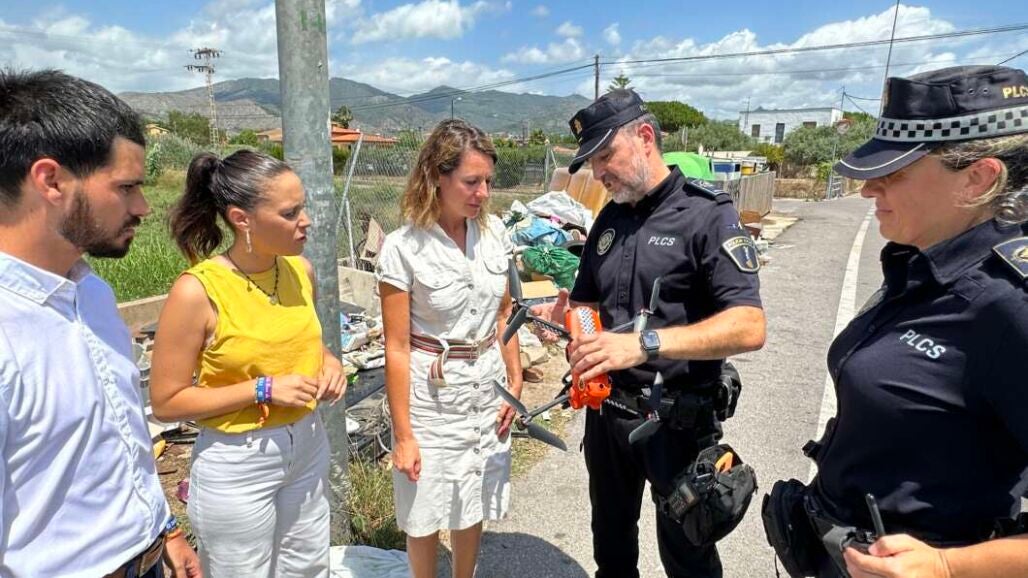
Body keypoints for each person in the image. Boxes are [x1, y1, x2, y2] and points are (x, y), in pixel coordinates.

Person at [769, 65, 1028, 578]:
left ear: (979, 178)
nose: (869, 189)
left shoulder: (1010, 304)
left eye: (895, 173)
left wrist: (949, 566)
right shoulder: (922, 263)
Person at [534, 89, 767, 578]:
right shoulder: (610, 217)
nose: (598, 172)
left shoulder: (708, 213)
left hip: (676, 423)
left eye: (605, 156)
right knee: (611, 547)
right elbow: (586, 301)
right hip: (607, 417)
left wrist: (644, 343)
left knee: (688, 557)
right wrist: (576, 326)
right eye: (592, 162)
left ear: (644, 138)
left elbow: (749, 325)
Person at [0, 69, 201, 577]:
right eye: (126, 187)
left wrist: (164, 529)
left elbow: (118, 434)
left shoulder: (91, 293)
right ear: (51, 181)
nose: (143, 207)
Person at [149, 149, 346, 577]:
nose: (306, 220)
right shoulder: (197, 291)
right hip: (238, 460)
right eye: (290, 213)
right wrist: (262, 389)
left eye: (303, 207)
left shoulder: (300, 271)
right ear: (242, 219)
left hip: (308, 444)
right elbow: (166, 401)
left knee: (309, 568)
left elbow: (306, 343)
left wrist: (330, 362)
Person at [376, 119, 523, 578]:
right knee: (423, 510)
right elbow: (397, 347)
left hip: (487, 389)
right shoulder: (403, 248)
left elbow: (504, 313)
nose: (483, 193)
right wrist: (404, 435)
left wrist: (515, 380)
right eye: (471, 181)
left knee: (472, 498)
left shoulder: (494, 234)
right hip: (431, 401)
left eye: (488, 182)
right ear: (436, 176)